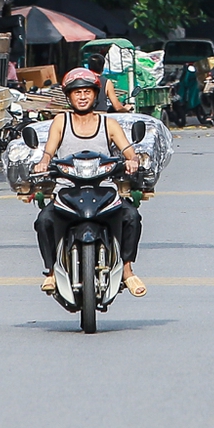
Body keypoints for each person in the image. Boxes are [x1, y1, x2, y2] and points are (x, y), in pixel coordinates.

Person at [32, 69, 145, 297]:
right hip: (68, 190)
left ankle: (127, 270)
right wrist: (43, 163)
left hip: (104, 190)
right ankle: (51, 272)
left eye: (87, 92)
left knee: (131, 217)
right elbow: (49, 151)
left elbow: (128, 151)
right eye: (77, 93)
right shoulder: (61, 121)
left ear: (95, 95)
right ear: (69, 97)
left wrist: (132, 161)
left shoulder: (109, 123)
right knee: (44, 221)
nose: (82, 97)